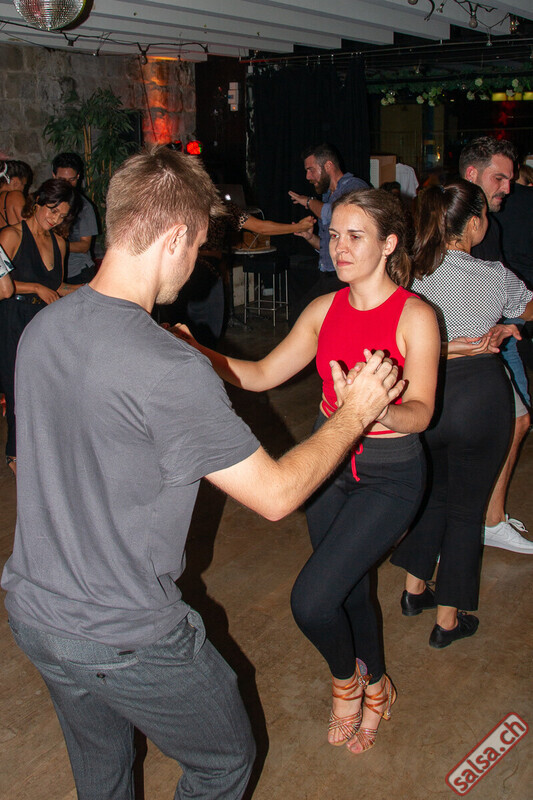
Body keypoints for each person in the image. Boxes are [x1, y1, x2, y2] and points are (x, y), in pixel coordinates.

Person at [1, 147, 405, 800]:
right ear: (173, 238)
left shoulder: (45, 329)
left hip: (36, 616)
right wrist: (356, 411)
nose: (194, 265)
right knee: (224, 762)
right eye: (195, 248)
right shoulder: (167, 368)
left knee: (103, 772)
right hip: (127, 634)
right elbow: (276, 495)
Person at [174, 187, 440, 755]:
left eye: (355, 236)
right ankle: (374, 684)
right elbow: (260, 374)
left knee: (312, 601)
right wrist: (196, 353)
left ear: (389, 244)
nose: (339, 247)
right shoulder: (323, 310)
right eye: (334, 235)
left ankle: (346, 682)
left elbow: (421, 413)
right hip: (330, 466)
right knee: (349, 587)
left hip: (391, 475)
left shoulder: (416, 316)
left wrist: (372, 409)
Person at [391, 180, 533, 649]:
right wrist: (506, 326)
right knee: (467, 511)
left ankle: (414, 592)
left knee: (433, 495)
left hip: (424, 398)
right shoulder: (494, 276)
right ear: (473, 223)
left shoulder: (409, 275)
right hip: (479, 399)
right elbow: (530, 307)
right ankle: (448, 621)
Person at [459, 136, 532, 553]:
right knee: (511, 421)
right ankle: (483, 520)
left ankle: (485, 517)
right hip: (470, 343)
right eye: (499, 178)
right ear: (473, 174)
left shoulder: (490, 223)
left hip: (491, 335)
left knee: (514, 421)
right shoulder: (460, 219)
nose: (508, 187)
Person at [0, 178, 79, 474]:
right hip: (13, 317)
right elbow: (3, 286)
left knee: (45, 390)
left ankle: (42, 451)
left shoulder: (59, 242)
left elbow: (57, 287)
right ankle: (15, 454)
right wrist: (34, 287)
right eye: (52, 210)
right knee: (17, 389)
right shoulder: (12, 235)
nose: (55, 219)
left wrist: (89, 288)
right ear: (38, 202)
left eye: (62, 216)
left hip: (44, 322)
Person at [158, 199, 314, 346]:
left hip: (176, 273)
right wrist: (298, 227)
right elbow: (261, 227)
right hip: (203, 275)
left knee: (174, 335)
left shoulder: (176, 202)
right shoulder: (219, 205)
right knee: (203, 339)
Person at [287, 142, 368, 323]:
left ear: (328, 166)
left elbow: (335, 213)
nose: (308, 176)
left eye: (311, 170)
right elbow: (327, 246)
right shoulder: (328, 196)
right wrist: (310, 237)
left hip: (348, 278)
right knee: (300, 319)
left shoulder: (354, 187)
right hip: (329, 275)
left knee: (304, 320)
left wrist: (308, 202)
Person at [52, 152, 99, 284]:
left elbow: (85, 246)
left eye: (71, 180)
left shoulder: (84, 207)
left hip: (77, 271)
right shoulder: (47, 201)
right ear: (54, 176)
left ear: (78, 177)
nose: (67, 184)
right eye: (62, 180)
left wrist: (52, 244)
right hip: (52, 270)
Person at [0, 160, 33, 229]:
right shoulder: (15, 196)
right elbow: (31, 228)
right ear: (15, 182)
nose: (23, 189)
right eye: (23, 185)